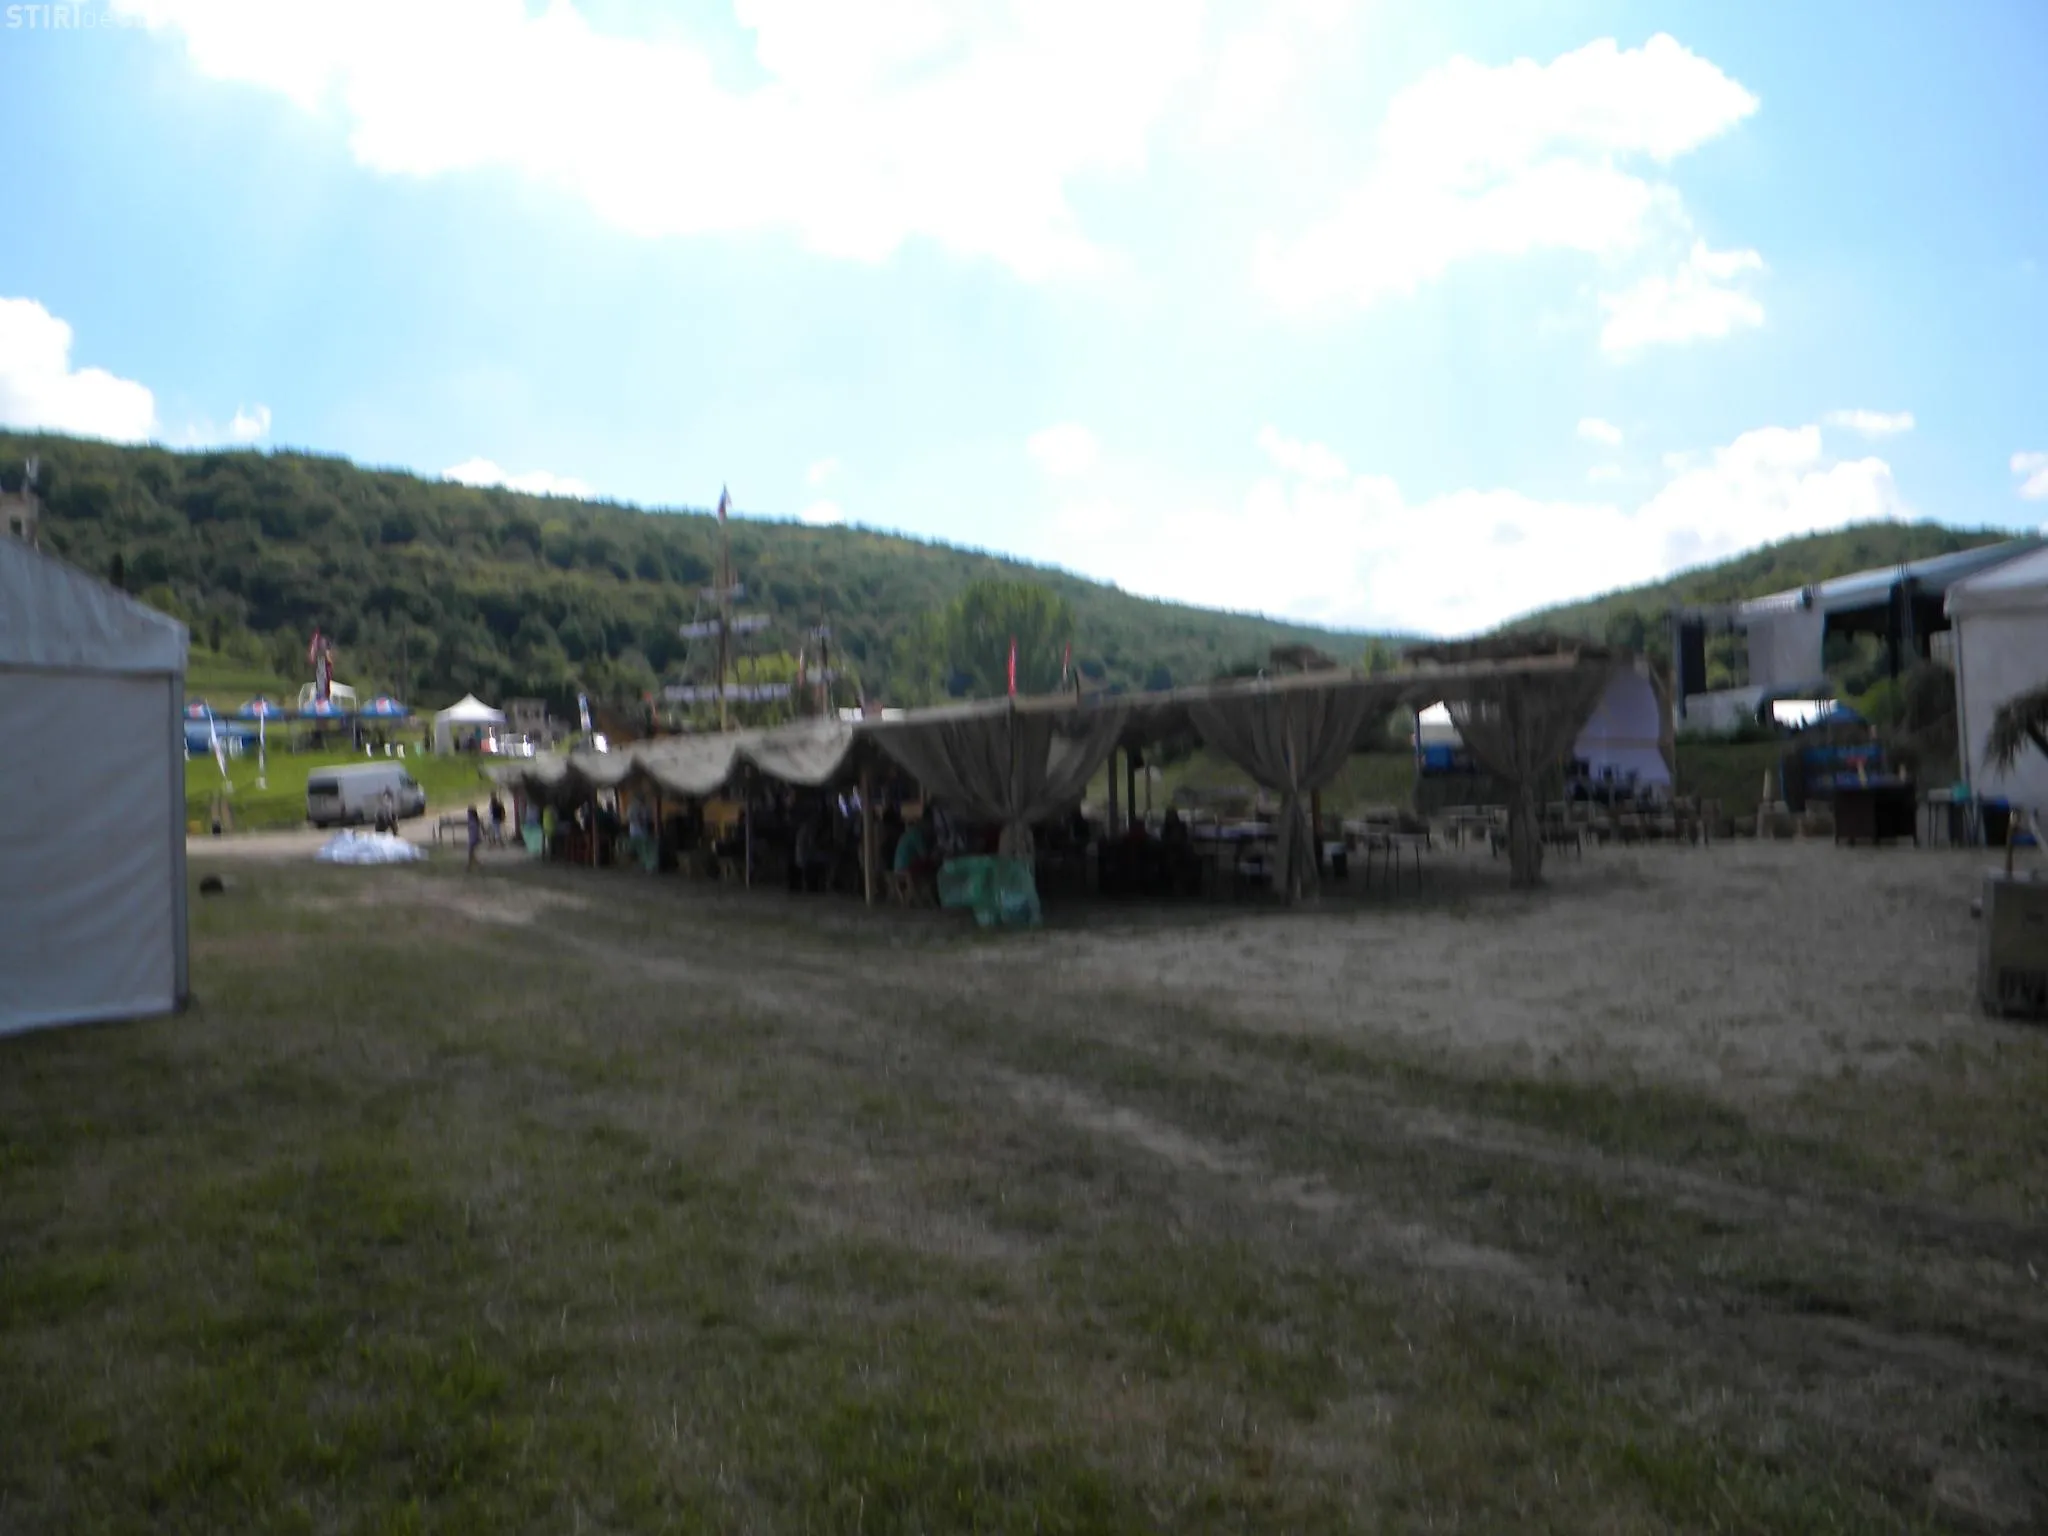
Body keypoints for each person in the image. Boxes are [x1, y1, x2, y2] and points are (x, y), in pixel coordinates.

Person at [466, 804, 483, 870]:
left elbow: (474, 831)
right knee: (472, 854)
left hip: (473, 839)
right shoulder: (473, 820)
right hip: (473, 838)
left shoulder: (473, 820)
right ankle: (475, 864)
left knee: (471, 853)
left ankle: (469, 866)